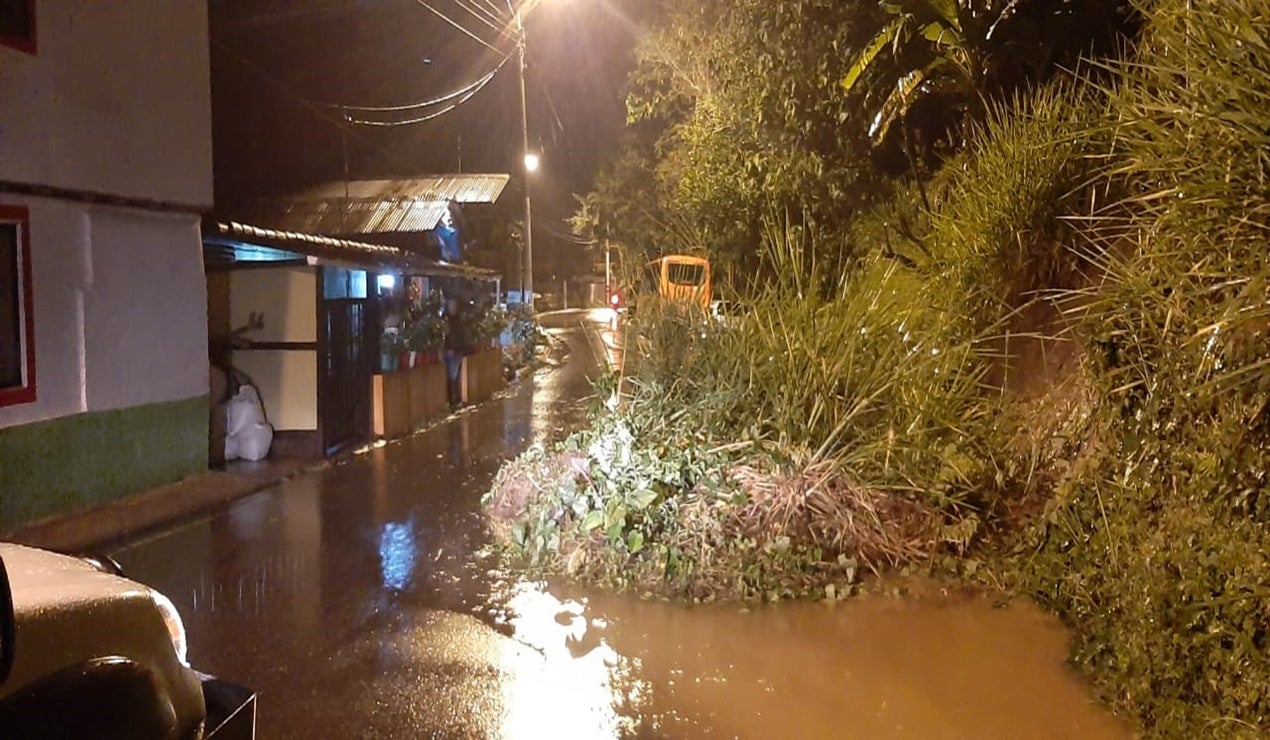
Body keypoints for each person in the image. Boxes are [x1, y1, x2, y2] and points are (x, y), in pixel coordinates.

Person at [443, 297, 469, 406]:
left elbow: (461, 335)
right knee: (451, 376)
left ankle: (456, 398)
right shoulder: (445, 320)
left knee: (456, 375)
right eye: (452, 305)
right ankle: (452, 399)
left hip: (457, 351)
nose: (453, 308)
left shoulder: (458, 320)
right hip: (450, 351)